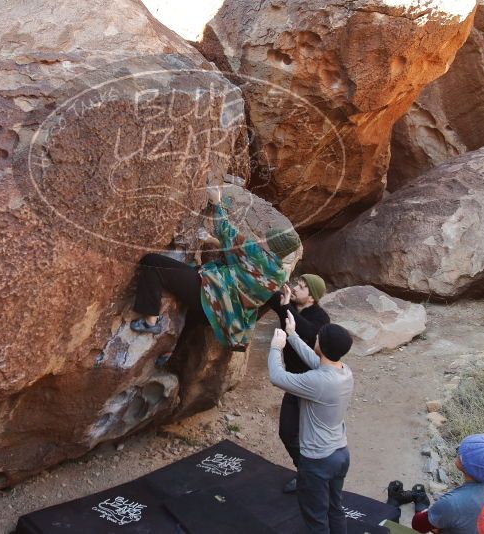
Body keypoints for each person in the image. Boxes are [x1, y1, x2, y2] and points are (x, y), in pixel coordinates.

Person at [131, 186, 301, 350]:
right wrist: (211, 240)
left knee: (151, 262)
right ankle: (170, 355)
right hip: (223, 316)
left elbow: (225, 231)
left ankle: (150, 322)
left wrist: (217, 203)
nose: (262, 239)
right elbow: (235, 254)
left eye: (267, 239)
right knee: (190, 316)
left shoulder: (255, 252)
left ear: (273, 246)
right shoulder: (278, 274)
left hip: (209, 295)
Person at [268, 312, 354, 534]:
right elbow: (317, 361)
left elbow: (278, 377)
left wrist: (277, 347)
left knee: (316, 519)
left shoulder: (317, 382)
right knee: (335, 509)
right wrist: (292, 334)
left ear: (323, 345)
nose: (314, 338)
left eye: (317, 337)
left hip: (318, 460)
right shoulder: (344, 371)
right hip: (340, 453)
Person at [265, 275, 330, 492]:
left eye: (301, 288)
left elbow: (308, 331)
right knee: (287, 432)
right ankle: (306, 473)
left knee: (308, 436)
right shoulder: (290, 303)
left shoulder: (321, 317)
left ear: (312, 297)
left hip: (312, 384)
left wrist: (286, 309)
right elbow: (268, 294)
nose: (295, 289)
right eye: (296, 285)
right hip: (295, 381)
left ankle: (312, 477)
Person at [411, 434, 484, 534]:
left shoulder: (452, 503)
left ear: (464, 463)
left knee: (426, 517)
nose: (458, 451)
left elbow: (417, 524)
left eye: (460, 451)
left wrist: (429, 515)